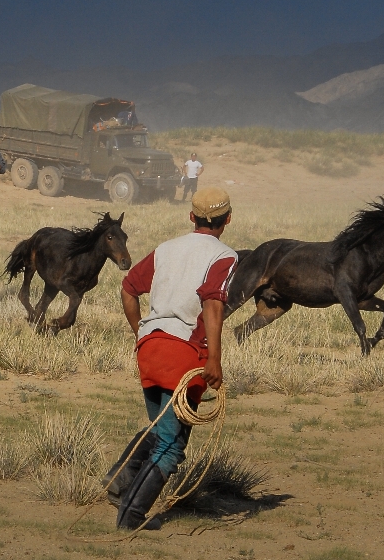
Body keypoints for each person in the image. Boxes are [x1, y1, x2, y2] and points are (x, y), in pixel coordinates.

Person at [107, 186, 237, 531]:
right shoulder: (224, 256)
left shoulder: (166, 249)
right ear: (228, 220)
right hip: (185, 355)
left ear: (192, 217)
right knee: (171, 444)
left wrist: (141, 332)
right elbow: (212, 304)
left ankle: (119, 480)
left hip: (150, 348)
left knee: (162, 429)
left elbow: (128, 289)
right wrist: (215, 360)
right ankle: (130, 518)